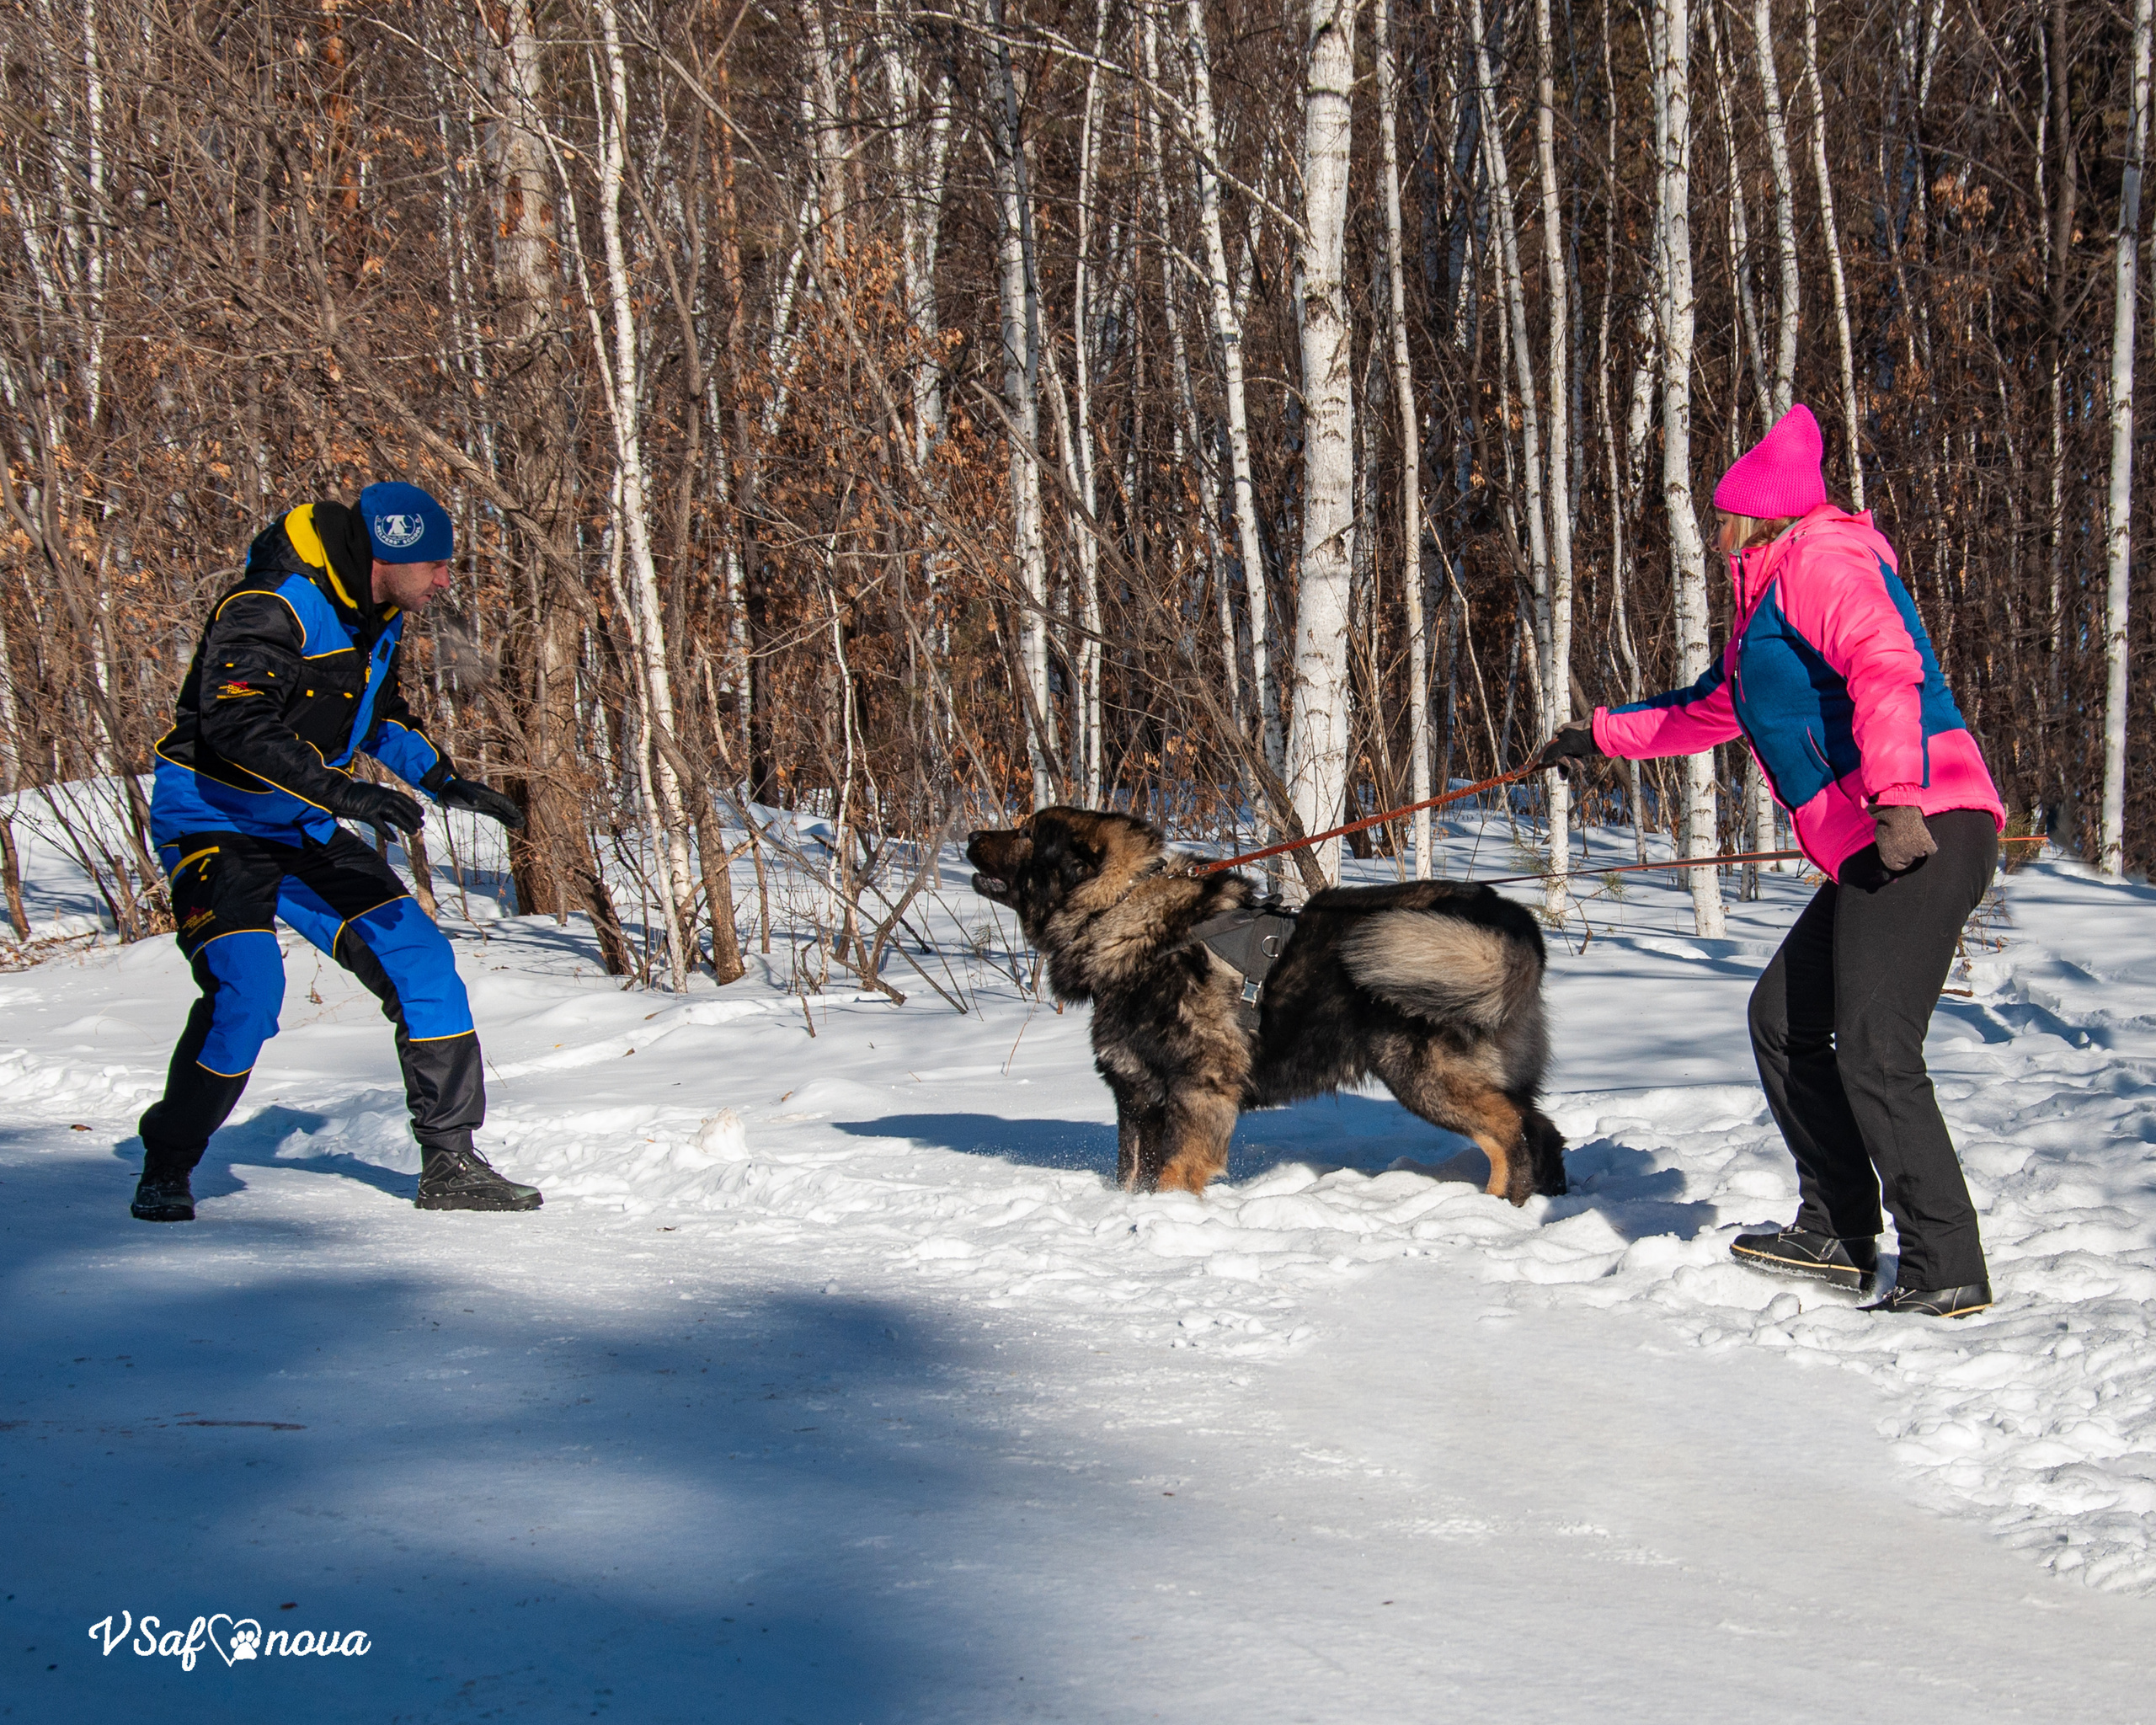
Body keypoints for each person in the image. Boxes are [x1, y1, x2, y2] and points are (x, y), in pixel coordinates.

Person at [1533, 404, 2004, 1318]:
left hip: (1923, 820)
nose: (1715, 533)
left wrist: (1898, 794)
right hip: (1879, 837)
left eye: (1722, 516)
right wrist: (1594, 737)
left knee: (1875, 1045)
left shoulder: (1826, 560)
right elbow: (1711, 708)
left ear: (1758, 515)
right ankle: (1835, 1228)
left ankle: (1945, 1261)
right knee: (1783, 1019)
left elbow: (1885, 664)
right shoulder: (1769, 598)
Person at [131, 483, 542, 1222]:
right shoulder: (268, 608)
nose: (446, 580)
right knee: (247, 995)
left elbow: (377, 716)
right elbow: (235, 727)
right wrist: (346, 796)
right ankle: (170, 1159)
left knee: (420, 958)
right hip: (215, 823)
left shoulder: (375, 617)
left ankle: (451, 1161)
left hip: (303, 824)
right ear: (391, 554)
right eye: (437, 565)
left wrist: (447, 783)